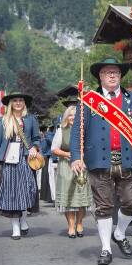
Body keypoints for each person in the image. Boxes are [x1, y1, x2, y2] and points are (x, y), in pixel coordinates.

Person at [71, 57, 132, 265]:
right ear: (100, 76)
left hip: (128, 159)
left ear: (121, 75)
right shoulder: (88, 100)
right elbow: (77, 131)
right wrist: (75, 157)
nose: (112, 75)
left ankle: (120, 233)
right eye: (108, 72)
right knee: (104, 207)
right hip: (98, 160)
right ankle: (106, 248)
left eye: (116, 71)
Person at [0, 92, 40, 240]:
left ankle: (23, 218)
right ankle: (15, 227)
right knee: (11, 194)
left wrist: (34, 148)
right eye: (15, 100)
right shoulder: (2, 121)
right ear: (11, 103)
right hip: (8, 162)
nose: (18, 103)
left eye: (21, 100)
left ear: (24, 103)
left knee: (25, 192)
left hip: (25, 160)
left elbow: (36, 138)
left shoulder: (31, 120)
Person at [52, 101, 92, 238]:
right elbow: (54, 149)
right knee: (68, 199)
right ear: (66, 117)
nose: (73, 118)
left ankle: (79, 223)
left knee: (81, 198)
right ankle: (70, 226)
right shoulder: (61, 130)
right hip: (66, 166)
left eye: (76, 115)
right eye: (70, 115)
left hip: (82, 166)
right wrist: (69, 154)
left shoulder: (85, 131)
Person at [39, 126, 53, 203]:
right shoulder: (48, 136)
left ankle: (49, 198)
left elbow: (43, 148)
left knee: (48, 179)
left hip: (47, 158)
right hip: (48, 157)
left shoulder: (47, 136)